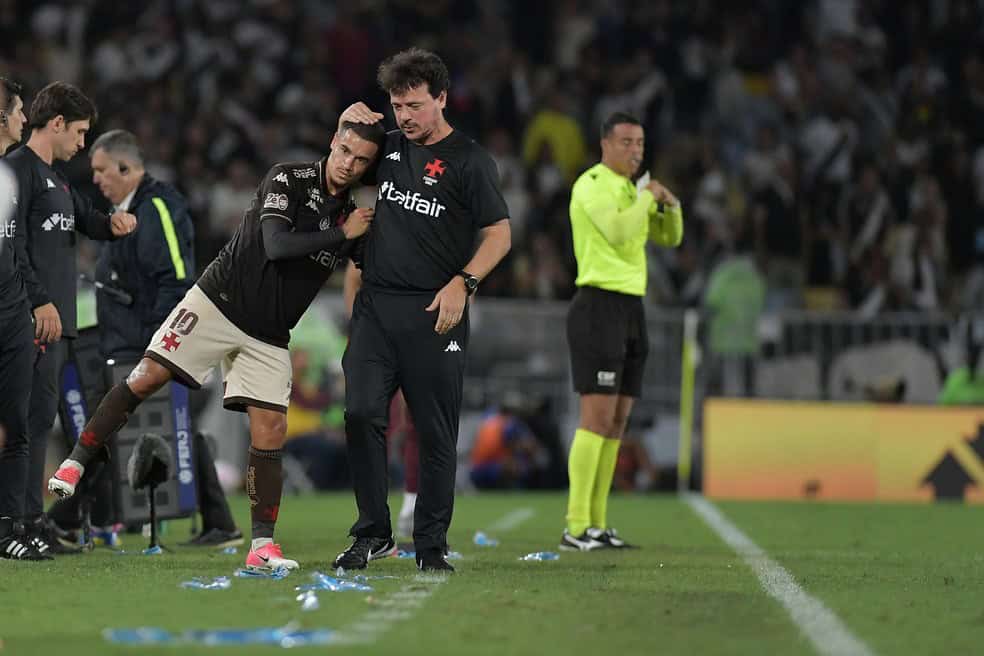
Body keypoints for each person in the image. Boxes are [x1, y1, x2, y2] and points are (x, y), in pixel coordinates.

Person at [49, 120, 385, 572]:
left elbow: (369, 265)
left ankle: (262, 545)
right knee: (146, 376)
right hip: (217, 302)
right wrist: (343, 236)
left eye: (361, 159)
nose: (349, 164)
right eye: (345, 151)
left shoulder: (352, 214)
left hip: (268, 333)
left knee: (270, 429)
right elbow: (276, 244)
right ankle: (75, 461)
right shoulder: (289, 177)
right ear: (333, 143)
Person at [332, 47, 511, 573]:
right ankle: (373, 533)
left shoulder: (472, 161)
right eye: (395, 105)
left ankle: (430, 546)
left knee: (435, 434)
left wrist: (465, 281)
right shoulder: (383, 148)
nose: (403, 116)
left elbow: (499, 235)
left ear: (441, 99)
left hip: (437, 312)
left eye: (413, 105)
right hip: (376, 308)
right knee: (361, 414)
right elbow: (336, 171)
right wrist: (346, 123)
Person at [45, 129, 242, 549]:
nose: (96, 178)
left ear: (126, 167)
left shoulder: (156, 206)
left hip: (147, 344)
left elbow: (177, 277)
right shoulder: (128, 209)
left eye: (101, 170)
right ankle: (220, 522)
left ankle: (63, 517)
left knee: (111, 427)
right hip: (128, 341)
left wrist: (163, 346)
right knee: (165, 426)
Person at [6, 81, 137, 556]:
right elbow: (11, 246)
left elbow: (89, 219)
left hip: (56, 324)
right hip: (30, 320)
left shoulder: (57, 180)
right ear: (56, 123)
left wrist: (114, 224)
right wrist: (39, 300)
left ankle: (31, 522)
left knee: (39, 422)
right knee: (24, 423)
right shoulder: (15, 171)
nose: (82, 144)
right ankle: (17, 525)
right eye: (79, 133)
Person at [561, 111, 683, 552]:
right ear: (605, 145)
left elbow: (669, 239)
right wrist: (648, 199)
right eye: (627, 142)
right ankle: (575, 526)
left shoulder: (634, 192)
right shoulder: (591, 185)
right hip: (598, 305)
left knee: (616, 423)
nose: (635, 151)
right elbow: (617, 232)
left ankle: (597, 524)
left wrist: (671, 207)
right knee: (595, 419)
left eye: (641, 144)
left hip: (632, 308)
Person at [0, 76, 48, 560]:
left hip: (13, 316)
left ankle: (9, 529)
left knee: (17, 425)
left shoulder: (10, 178)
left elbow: (15, 249)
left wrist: (30, 304)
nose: (22, 118)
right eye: (17, 110)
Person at [343, 260, 419, 541]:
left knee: (418, 420)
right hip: (377, 335)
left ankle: (412, 502)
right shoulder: (380, 221)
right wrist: (358, 324)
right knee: (368, 417)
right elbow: (354, 273)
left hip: (422, 330)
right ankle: (374, 515)